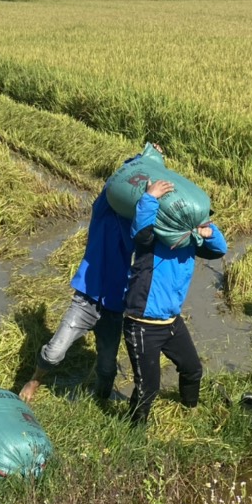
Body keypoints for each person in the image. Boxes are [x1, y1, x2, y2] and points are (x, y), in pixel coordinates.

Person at [18, 147, 161, 405]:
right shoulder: (103, 212)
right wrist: (142, 158)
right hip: (86, 298)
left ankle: (100, 401)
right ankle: (34, 380)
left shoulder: (138, 227)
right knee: (54, 352)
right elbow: (117, 180)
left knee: (107, 367)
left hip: (115, 307)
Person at [122, 180, 228, 427]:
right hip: (143, 323)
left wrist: (208, 230)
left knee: (193, 370)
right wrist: (150, 197)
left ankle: (190, 411)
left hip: (171, 322)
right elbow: (140, 231)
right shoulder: (151, 241)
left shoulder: (189, 240)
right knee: (148, 388)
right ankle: (133, 432)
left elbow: (220, 249)